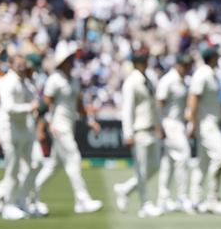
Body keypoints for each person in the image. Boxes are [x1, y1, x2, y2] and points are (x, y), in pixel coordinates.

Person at [34, 42, 103, 213]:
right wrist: (41, 128)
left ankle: (30, 191)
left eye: (72, 58)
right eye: (69, 59)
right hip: (58, 127)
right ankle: (82, 200)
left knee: (53, 165)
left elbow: (79, 105)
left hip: (69, 126)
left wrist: (90, 121)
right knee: (74, 158)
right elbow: (46, 105)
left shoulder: (73, 80)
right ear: (62, 62)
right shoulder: (54, 80)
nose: (73, 61)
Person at [113, 49, 163, 218]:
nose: (146, 62)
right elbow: (127, 110)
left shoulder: (148, 79)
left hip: (151, 130)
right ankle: (144, 204)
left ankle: (125, 189)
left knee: (154, 167)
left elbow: (154, 106)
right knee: (141, 170)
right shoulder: (131, 82)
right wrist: (128, 133)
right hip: (139, 130)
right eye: (143, 60)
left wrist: (159, 126)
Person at [0, 54, 41, 220]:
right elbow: (8, 107)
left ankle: (22, 200)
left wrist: (33, 105)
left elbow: (34, 98)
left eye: (24, 64)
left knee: (36, 163)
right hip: (10, 129)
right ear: (11, 64)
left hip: (24, 129)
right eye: (19, 64)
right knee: (13, 169)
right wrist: (30, 107)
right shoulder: (7, 82)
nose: (22, 67)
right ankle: (8, 205)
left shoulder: (24, 82)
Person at [187, 46, 221, 214]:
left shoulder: (212, 75)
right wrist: (192, 124)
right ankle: (212, 199)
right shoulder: (203, 74)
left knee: (203, 163)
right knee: (220, 157)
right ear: (211, 58)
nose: (219, 58)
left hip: (213, 123)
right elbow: (193, 98)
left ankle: (195, 200)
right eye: (216, 56)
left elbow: (218, 104)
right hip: (205, 124)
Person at [155, 54, 194, 213]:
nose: (186, 69)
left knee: (168, 163)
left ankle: (162, 199)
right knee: (184, 156)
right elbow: (159, 104)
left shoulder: (182, 81)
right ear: (177, 65)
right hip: (169, 124)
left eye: (187, 66)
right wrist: (159, 126)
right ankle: (182, 196)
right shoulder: (168, 80)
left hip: (178, 124)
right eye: (183, 65)